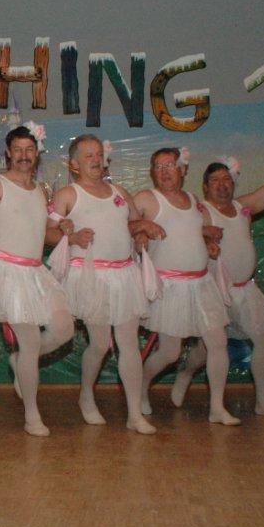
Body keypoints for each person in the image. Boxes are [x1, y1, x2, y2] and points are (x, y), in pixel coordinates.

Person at [171, 135, 264, 417]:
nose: (221, 184)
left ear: (233, 183)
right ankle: (186, 375)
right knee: (207, 349)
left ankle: (263, 401)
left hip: (245, 289)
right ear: (205, 186)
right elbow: (186, 233)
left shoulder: (242, 208)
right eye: (215, 180)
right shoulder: (200, 212)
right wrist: (206, 239)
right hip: (213, 290)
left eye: (226, 179)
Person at [0, 124, 73, 436]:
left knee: (64, 329)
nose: (23, 155)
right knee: (30, 342)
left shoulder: (41, 190)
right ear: (8, 152)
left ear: (37, 153)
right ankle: (32, 414)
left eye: (29, 149)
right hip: (8, 272)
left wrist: (63, 231)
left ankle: (19, 361)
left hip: (36, 271)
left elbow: (41, 233)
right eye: (17, 149)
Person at [50, 134, 161, 434]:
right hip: (91, 277)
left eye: (99, 154)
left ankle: (134, 414)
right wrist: (71, 237)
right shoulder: (67, 194)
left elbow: (134, 225)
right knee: (99, 344)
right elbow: (47, 232)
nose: (96, 160)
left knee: (129, 344)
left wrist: (141, 234)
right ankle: (86, 395)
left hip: (124, 276)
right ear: (74, 164)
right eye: (88, 155)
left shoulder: (120, 192)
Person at [136, 147, 239, 425]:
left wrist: (208, 241)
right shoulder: (146, 198)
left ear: (182, 170)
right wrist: (141, 228)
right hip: (170, 286)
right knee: (169, 353)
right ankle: (141, 386)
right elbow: (126, 224)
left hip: (201, 283)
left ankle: (217, 407)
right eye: (158, 166)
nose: (164, 171)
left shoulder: (194, 200)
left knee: (218, 342)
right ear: (152, 172)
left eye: (170, 165)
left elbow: (191, 232)